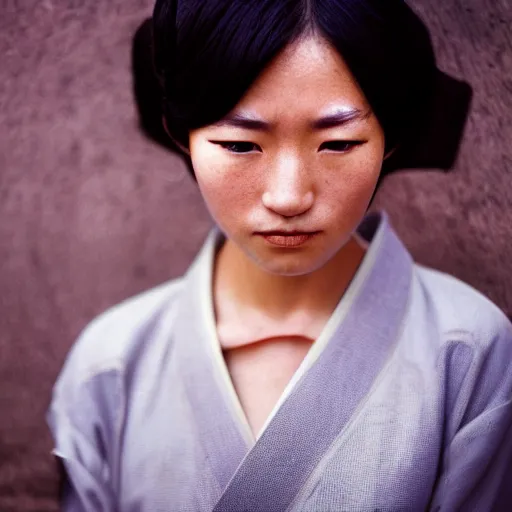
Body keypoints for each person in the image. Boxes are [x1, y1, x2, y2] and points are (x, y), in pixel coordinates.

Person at [47, 0, 512, 510]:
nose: (289, 198)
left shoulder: (470, 352)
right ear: (181, 137)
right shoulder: (110, 363)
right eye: (240, 144)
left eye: (338, 143)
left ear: (390, 140)